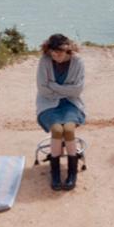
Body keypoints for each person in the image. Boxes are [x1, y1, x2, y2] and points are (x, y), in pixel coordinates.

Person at [36, 33, 86, 191]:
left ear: (68, 51)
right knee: (57, 130)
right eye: (53, 52)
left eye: (60, 52)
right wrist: (66, 90)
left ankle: (72, 173)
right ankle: (55, 172)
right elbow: (43, 89)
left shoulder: (77, 62)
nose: (56, 55)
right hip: (47, 103)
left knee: (69, 129)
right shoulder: (44, 61)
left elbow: (77, 90)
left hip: (72, 103)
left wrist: (55, 87)